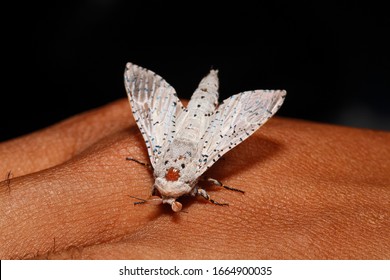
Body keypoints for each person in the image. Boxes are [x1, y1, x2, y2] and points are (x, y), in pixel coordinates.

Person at [0, 99, 389, 259]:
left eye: (168, 189)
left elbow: (205, 184)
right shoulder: (166, 176)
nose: (166, 190)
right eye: (162, 189)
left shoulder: (192, 175)